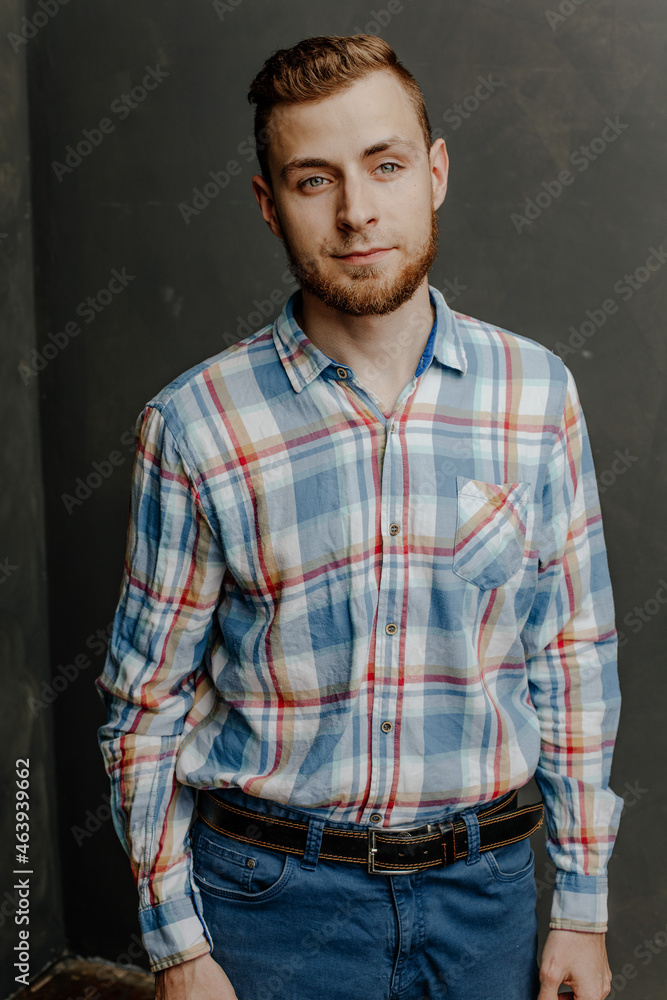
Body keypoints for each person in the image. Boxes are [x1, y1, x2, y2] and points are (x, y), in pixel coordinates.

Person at [95, 34, 623, 1000]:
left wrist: (581, 907)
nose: (356, 211)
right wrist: (177, 948)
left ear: (435, 172)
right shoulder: (196, 424)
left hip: (486, 902)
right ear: (268, 204)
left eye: (383, 165)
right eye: (312, 179)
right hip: (267, 904)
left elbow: (574, 659)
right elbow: (143, 710)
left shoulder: (536, 396)